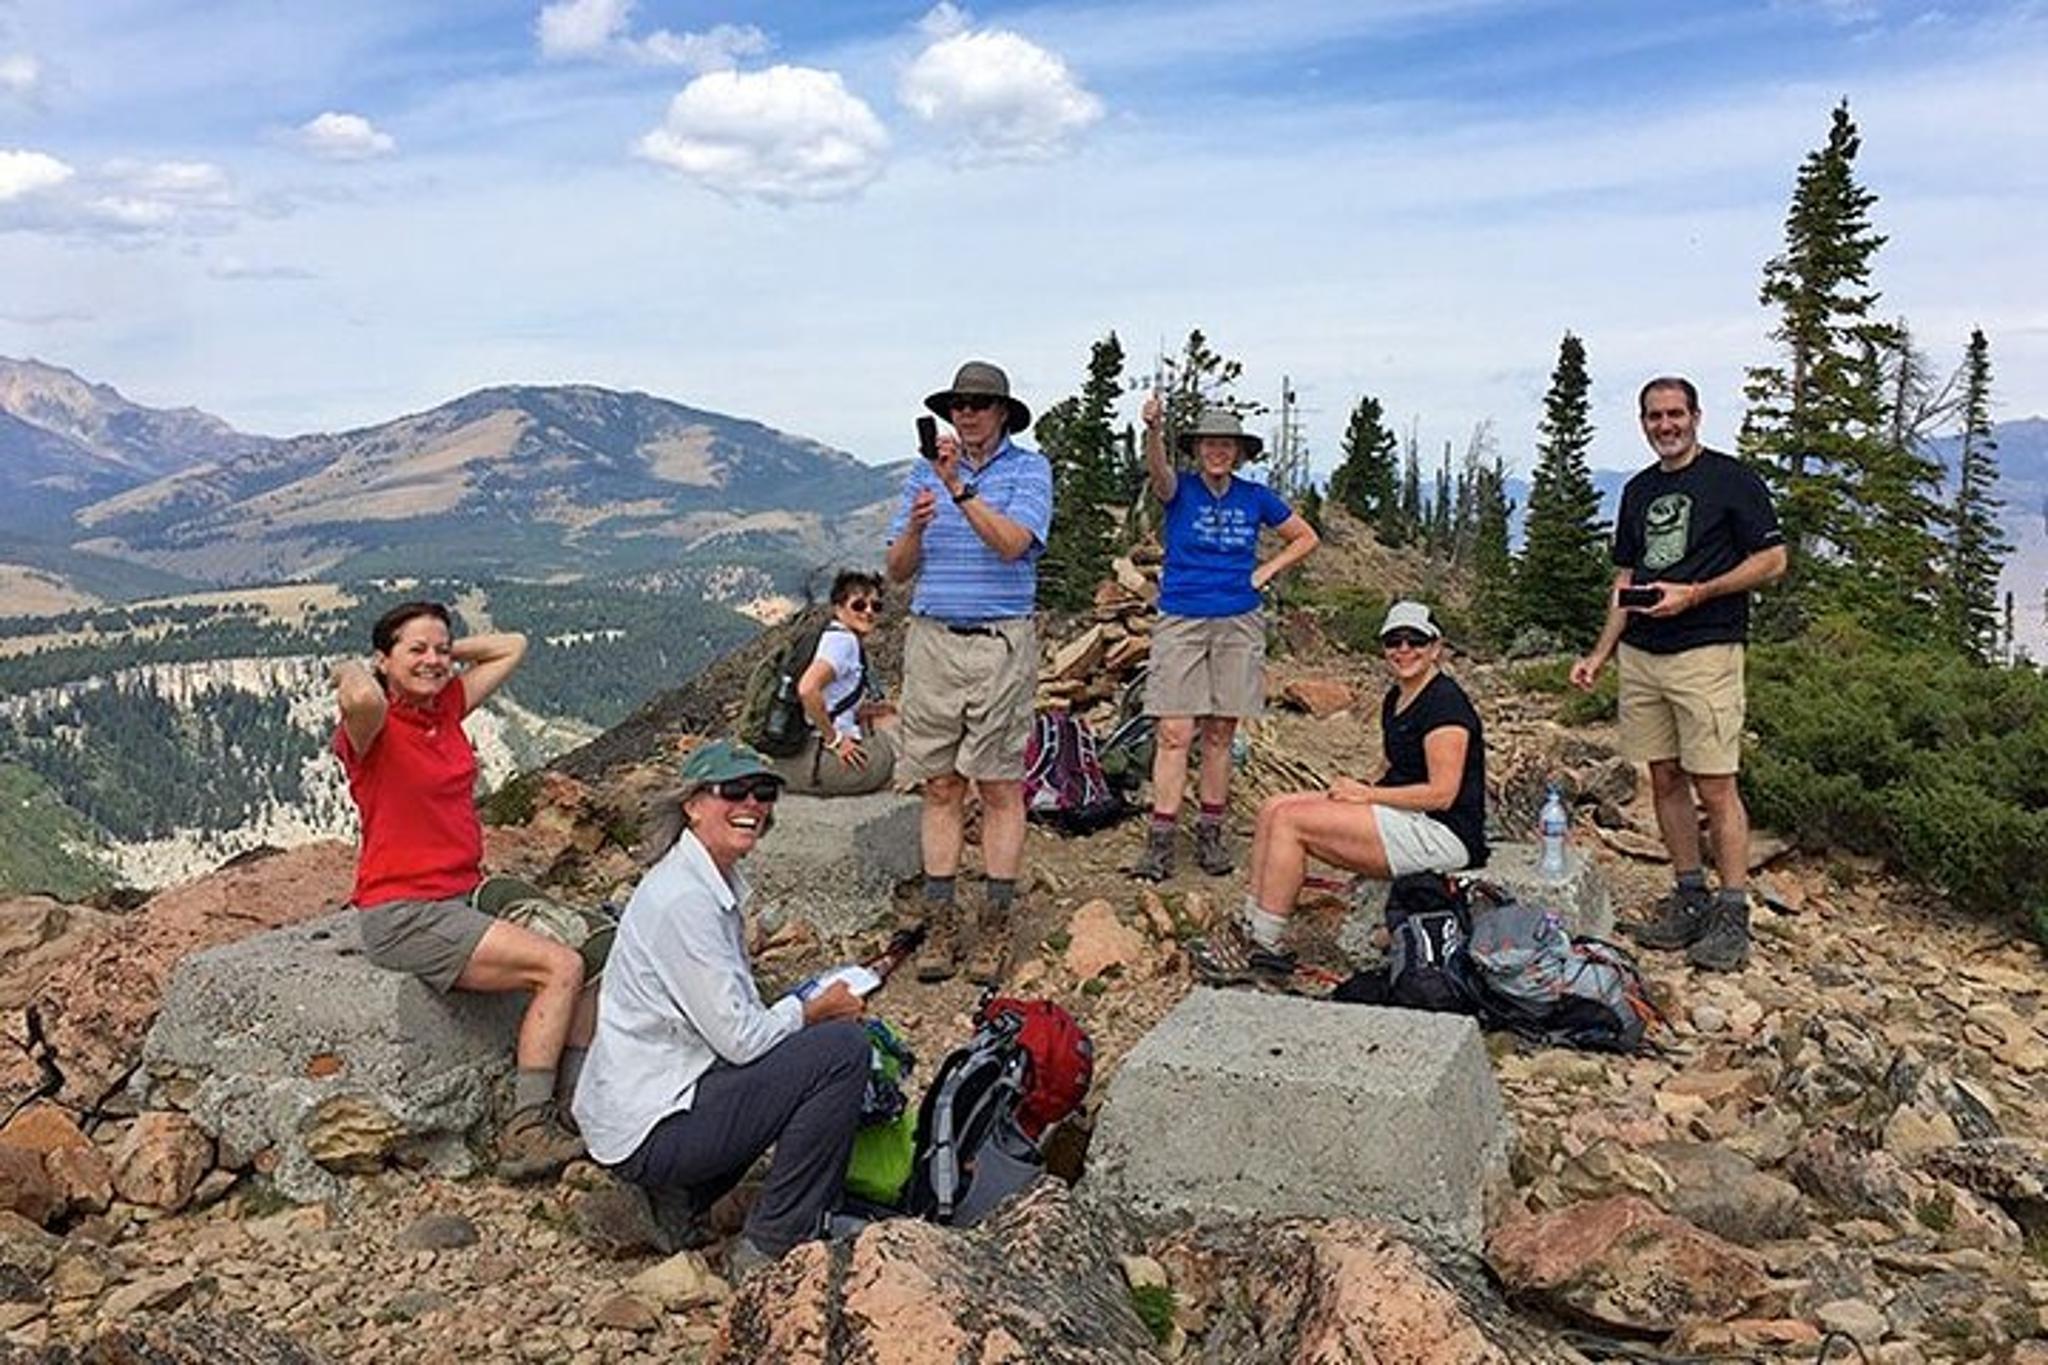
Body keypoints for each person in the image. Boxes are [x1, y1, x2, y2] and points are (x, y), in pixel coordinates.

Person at [572, 740, 869, 1277]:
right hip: (652, 1125)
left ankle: (683, 1203)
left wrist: (801, 1010)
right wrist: (812, 1011)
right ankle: (771, 1243)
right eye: (733, 791)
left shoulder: (701, 880)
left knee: (802, 1044)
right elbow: (741, 1040)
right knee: (842, 1052)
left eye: (763, 793)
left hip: (643, 1109)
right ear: (693, 803)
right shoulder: (686, 899)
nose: (752, 804)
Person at [331, 601, 587, 1180]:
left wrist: (441, 661)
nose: (432, 659)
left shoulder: (442, 709)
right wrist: (354, 668)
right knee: (559, 966)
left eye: (439, 648)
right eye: (414, 649)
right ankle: (528, 1127)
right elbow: (362, 699)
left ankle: (578, 1100)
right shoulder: (371, 730)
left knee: (591, 945)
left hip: (461, 892)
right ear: (383, 659)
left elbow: (514, 643)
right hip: (404, 911)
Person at [1570, 376, 1787, 972]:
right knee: (1663, 776)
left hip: (1706, 650)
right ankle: (1690, 894)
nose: (1665, 425)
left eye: (1674, 414)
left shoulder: (1732, 480)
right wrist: (1600, 653)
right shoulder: (1638, 491)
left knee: (1715, 784)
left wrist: (1697, 593)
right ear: (1643, 422)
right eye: (1654, 416)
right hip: (1642, 653)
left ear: (1696, 415)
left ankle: (1733, 911)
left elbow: (1773, 559)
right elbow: (1626, 579)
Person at [1195, 601, 1486, 981]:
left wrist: (1368, 796)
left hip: (1442, 832)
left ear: (1436, 648)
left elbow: (1442, 793)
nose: (1403, 649)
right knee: (1273, 807)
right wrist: (1360, 787)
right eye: (1393, 641)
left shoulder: (1445, 703)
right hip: (1405, 815)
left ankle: (1264, 946)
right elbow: (1392, 763)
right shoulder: (1398, 697)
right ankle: (1250, 925)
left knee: (1291, 823)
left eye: (1415, 640)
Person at [884, 360, 1053, 986]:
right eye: (958, 404)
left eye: (980, 404)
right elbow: (898, 570)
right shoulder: (921, 476)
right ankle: (940, 918)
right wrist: (917, 530)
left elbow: (1013, 544)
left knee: (1000, 784)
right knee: (940, 785)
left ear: (1003, 412)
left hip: (1000, 640)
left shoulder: (1029, 470)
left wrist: (959, 489)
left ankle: (996, 921)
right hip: (932, 639)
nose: (967, 413)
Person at [1130, 397, 1319, 882]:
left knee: (1219, 732)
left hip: (1238, 619)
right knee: (1174, 732)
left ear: (1238, 452)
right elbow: (1159, 474)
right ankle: (1162, 839)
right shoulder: (1181, 490)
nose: (1217, 452)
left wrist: (1265, 572)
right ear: (1197, 449)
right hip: (1182, 617)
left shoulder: (1255, 497)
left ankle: (1211, 832)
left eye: (1226, 445)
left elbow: (1304, 537)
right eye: (1210, 444)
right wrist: (1153, 431)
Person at [770, 570, 898, 796]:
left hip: (799, 756)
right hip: (823, 764)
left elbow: (829, 698)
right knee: (908, 738)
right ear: (839, 608)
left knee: (886, 719)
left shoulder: (827, 635)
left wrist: (863, 709)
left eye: (875, 606)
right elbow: (808, 688)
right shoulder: (843, 643)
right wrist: (836, 740)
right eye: (859, 605)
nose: (869, 612)